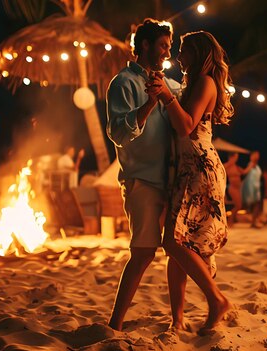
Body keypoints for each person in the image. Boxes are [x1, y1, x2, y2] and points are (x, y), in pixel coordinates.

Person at [147, 30, 233, 334]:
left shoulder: (205, 82)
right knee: (179, 244)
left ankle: (216, 299)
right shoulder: (192, 83)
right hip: (187, 168)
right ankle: (178, 319)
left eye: (183, 49)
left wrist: (167, 97)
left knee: (173, 241)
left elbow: (186, 126)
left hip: (199, 167)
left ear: (197, 53)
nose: (178, 55)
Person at [105, 19, 180, 331]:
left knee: (179, 249)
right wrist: (149, 104)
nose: (168, 52)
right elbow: (118, 134)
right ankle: (115, 322)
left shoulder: (173, 86)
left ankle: (178, 320)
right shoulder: (122, 83)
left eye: (169, 46)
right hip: (142, 181)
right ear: (145, 45)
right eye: (163, 45)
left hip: (175, 181)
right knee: (143, 252)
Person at [223, 152, 255, 223]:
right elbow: (222, 168)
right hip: (233, 188)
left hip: (238, 188)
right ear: (231, 157)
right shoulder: (227, 166)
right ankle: (230, 220)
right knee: (238, 205)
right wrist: (230, 162)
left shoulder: (236, 167)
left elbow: (244, 172)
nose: (236, 159)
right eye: (235, 157)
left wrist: (250, 166)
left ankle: (232, 219)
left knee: (239, 206)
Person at [241, 151, 262, 228]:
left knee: (257, 204)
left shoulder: (257, 166)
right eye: (255, 155)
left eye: (258, 155)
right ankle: (253, 222)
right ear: (251, 156)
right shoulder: (251, 164)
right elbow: (244, 172)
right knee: (255, 204)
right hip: (251, 187)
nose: (257, 156)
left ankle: (254, 221)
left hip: (256, 187)